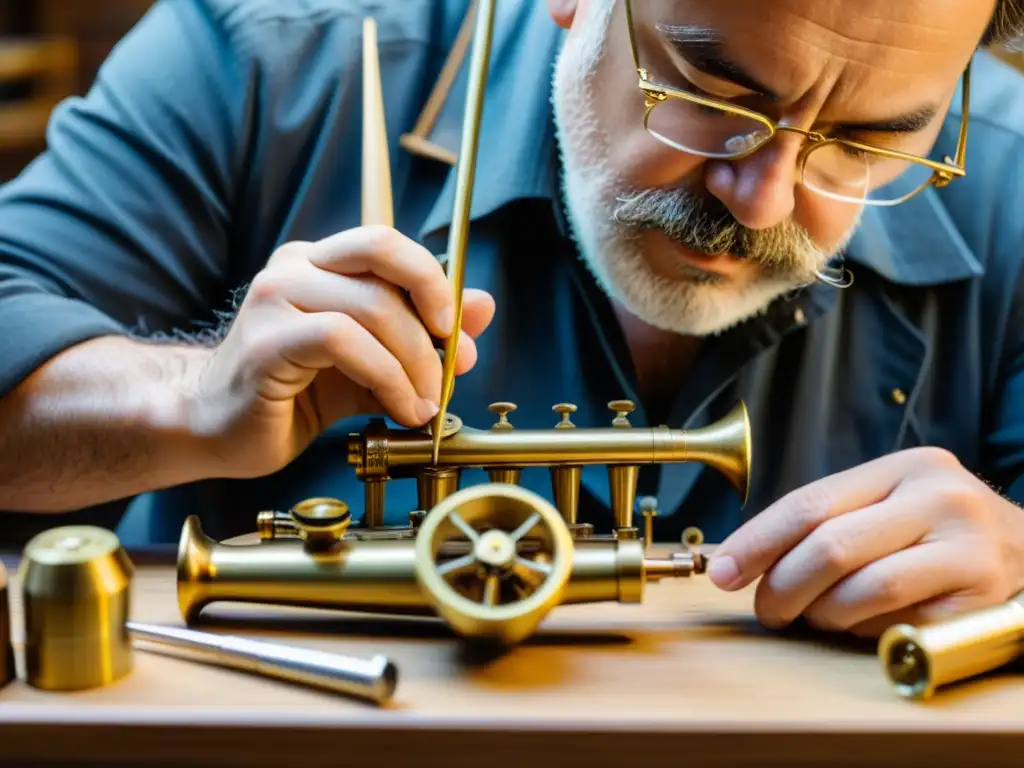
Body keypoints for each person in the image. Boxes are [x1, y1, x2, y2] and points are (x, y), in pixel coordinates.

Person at [0, 0, 1023, 639]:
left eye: (864, 139)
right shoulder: (262, 61)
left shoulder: (1012, 171)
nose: (761, 200)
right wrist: (186, 397)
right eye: (711, 90)